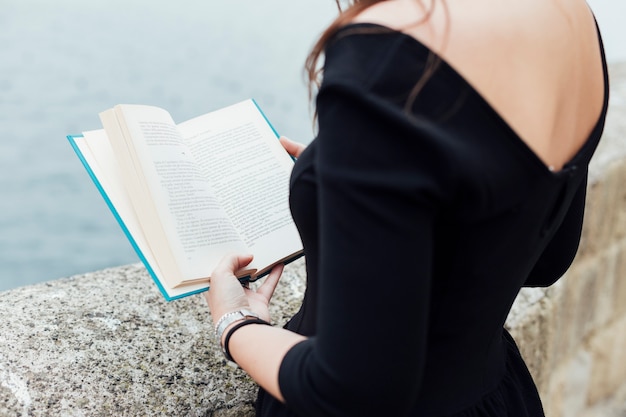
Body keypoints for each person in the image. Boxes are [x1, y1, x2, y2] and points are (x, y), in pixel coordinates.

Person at [204, 0, 609, 415]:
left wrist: (235, 323)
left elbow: (352, 386)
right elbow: (546, 260)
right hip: (496, 398)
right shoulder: (571, 16)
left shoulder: (390, 46)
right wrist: (367, 178)